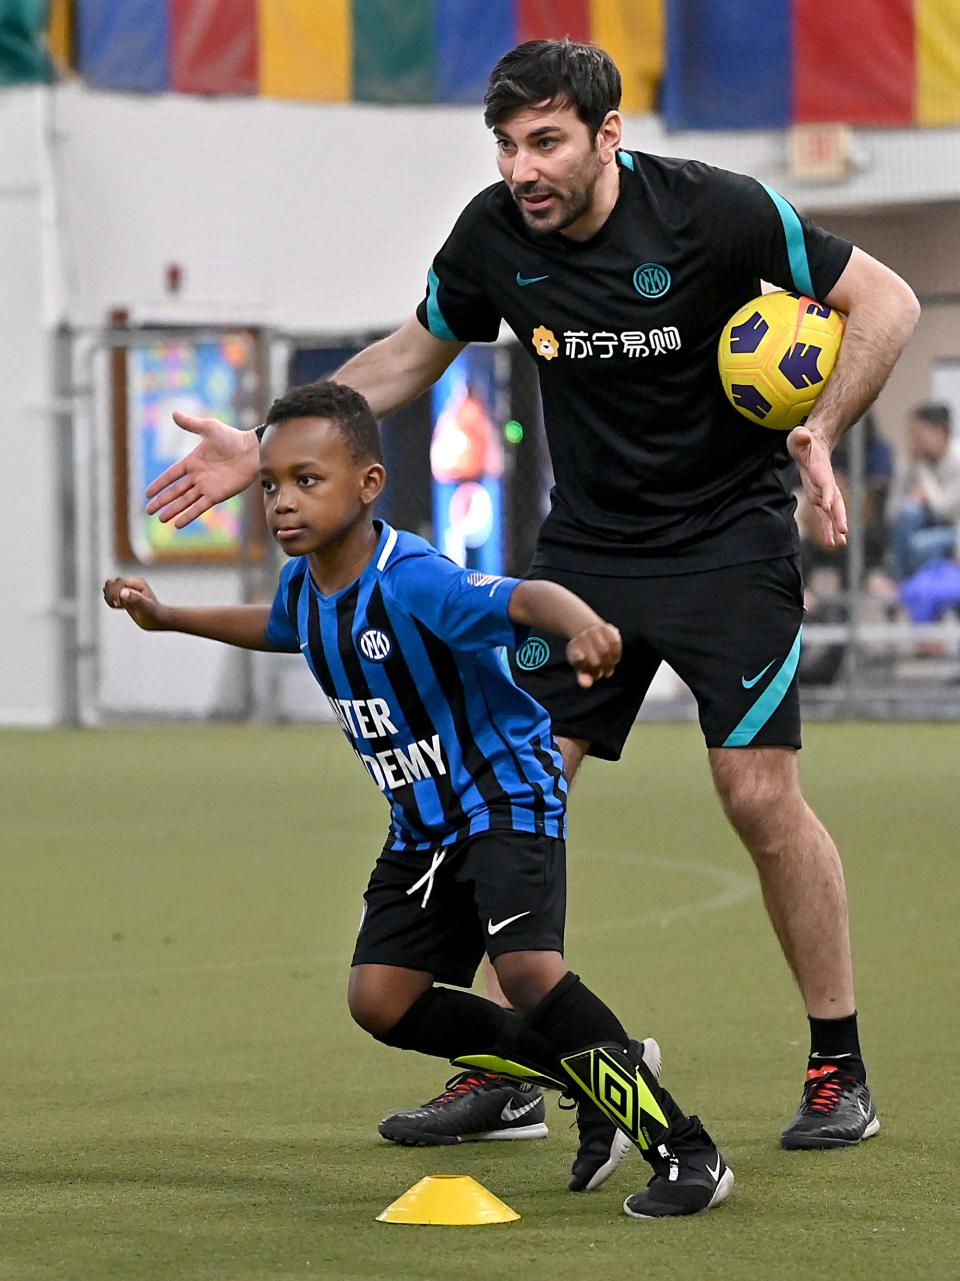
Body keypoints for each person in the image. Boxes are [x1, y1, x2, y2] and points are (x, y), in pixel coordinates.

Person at [143, 40, 920, 1151]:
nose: (522, 168)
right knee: (502, 782)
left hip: (727, 546)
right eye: (506, 145)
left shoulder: (716, 211)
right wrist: (269, 445)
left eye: (546, 141)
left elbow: (883, 300)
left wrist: (823, 429)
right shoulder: (495, 234)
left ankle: (838, 1066)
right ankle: (506, 1066)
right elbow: (414, 353)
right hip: (587, 553)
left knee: (755, 795)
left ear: (610, 136)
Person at [106, 381, 734, 1219]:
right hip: (423, 826)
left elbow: (520, 599)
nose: (284, 502)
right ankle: (601, 1069)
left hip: (506, 795)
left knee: (528, 969)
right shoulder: (308, 586)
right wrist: (170, 615)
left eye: (307, 480)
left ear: (368, 485)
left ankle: (687, 1152)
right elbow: (275, 624)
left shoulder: (415, 578)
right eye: (271, 485)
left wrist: (582, 623)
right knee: (382, 999)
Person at [888, 402, 960, 582]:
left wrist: (922, 470)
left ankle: (901, 584)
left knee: (919, 547)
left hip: (954, 529)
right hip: (917, 529)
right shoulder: (910, 460)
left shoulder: (956, 458)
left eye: (920, 436)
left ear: (940, 432)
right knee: (909, 511)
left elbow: (943, 510)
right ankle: (902, 582)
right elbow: (892, 512)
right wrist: (910, 468)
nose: (915, 443)